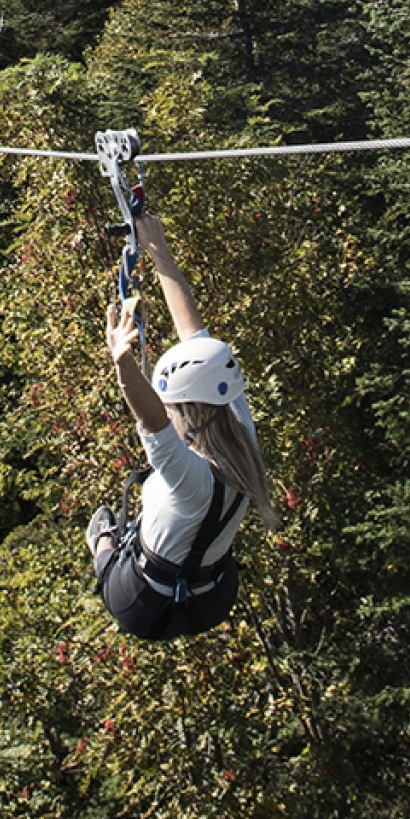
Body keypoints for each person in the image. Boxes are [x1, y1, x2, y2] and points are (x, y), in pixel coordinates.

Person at [90, 209, 275, 640]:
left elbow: (149, 416)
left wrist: (122, 361)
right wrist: (161, 256)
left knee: (101, 524)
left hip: (140, 602)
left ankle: (102, 542)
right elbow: (196, 337)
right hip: (210, 599)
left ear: (183, 409)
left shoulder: (188, 478)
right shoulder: (237, 423)